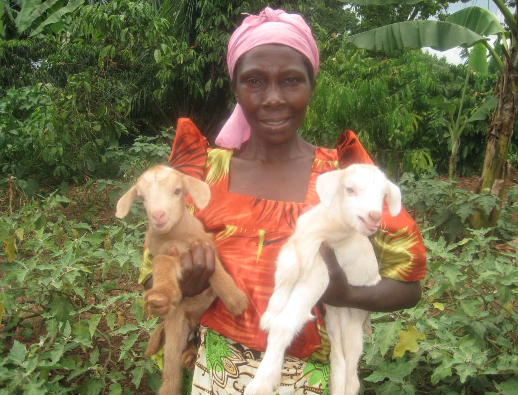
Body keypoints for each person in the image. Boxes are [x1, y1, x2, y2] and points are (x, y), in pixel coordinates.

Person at [139, 7, 426, 394]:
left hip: (309, 382)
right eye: (254, 81)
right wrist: (187, 286)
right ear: (236, 89)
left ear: (311, 86)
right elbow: (153, 281)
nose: (273, 98)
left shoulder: (344, 178)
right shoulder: (200, 179)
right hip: (217, 376)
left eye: (291, 80)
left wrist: (346, 294)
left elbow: (409, 287)